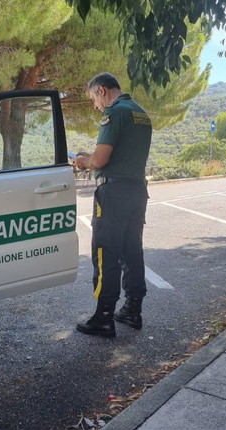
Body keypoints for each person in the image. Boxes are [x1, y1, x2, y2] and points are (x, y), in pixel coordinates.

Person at [74, 72, 152, 338]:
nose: (95, 106)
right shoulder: (141, 113)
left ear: (102, 91)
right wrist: (92, 156)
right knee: (132, 250)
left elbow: (102, 159)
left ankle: (104, 317)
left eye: (93, 99)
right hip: (137, 191)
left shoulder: (114, 113)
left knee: (105, 251)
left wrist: (84, 161)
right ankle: (132, 309)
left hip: (113, 193)